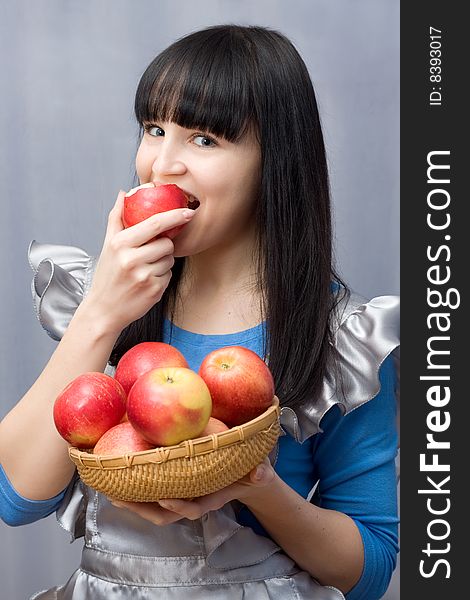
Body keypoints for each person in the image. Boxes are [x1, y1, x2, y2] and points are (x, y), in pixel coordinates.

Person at [0, 24, 399, 600]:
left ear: (274, 161)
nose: (161, 166)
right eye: (154, 129)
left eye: (204, 140)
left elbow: (371, 570)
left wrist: (258, 486)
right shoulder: (106, 298)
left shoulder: (341, 338)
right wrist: (102, 312)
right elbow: (14, 498)